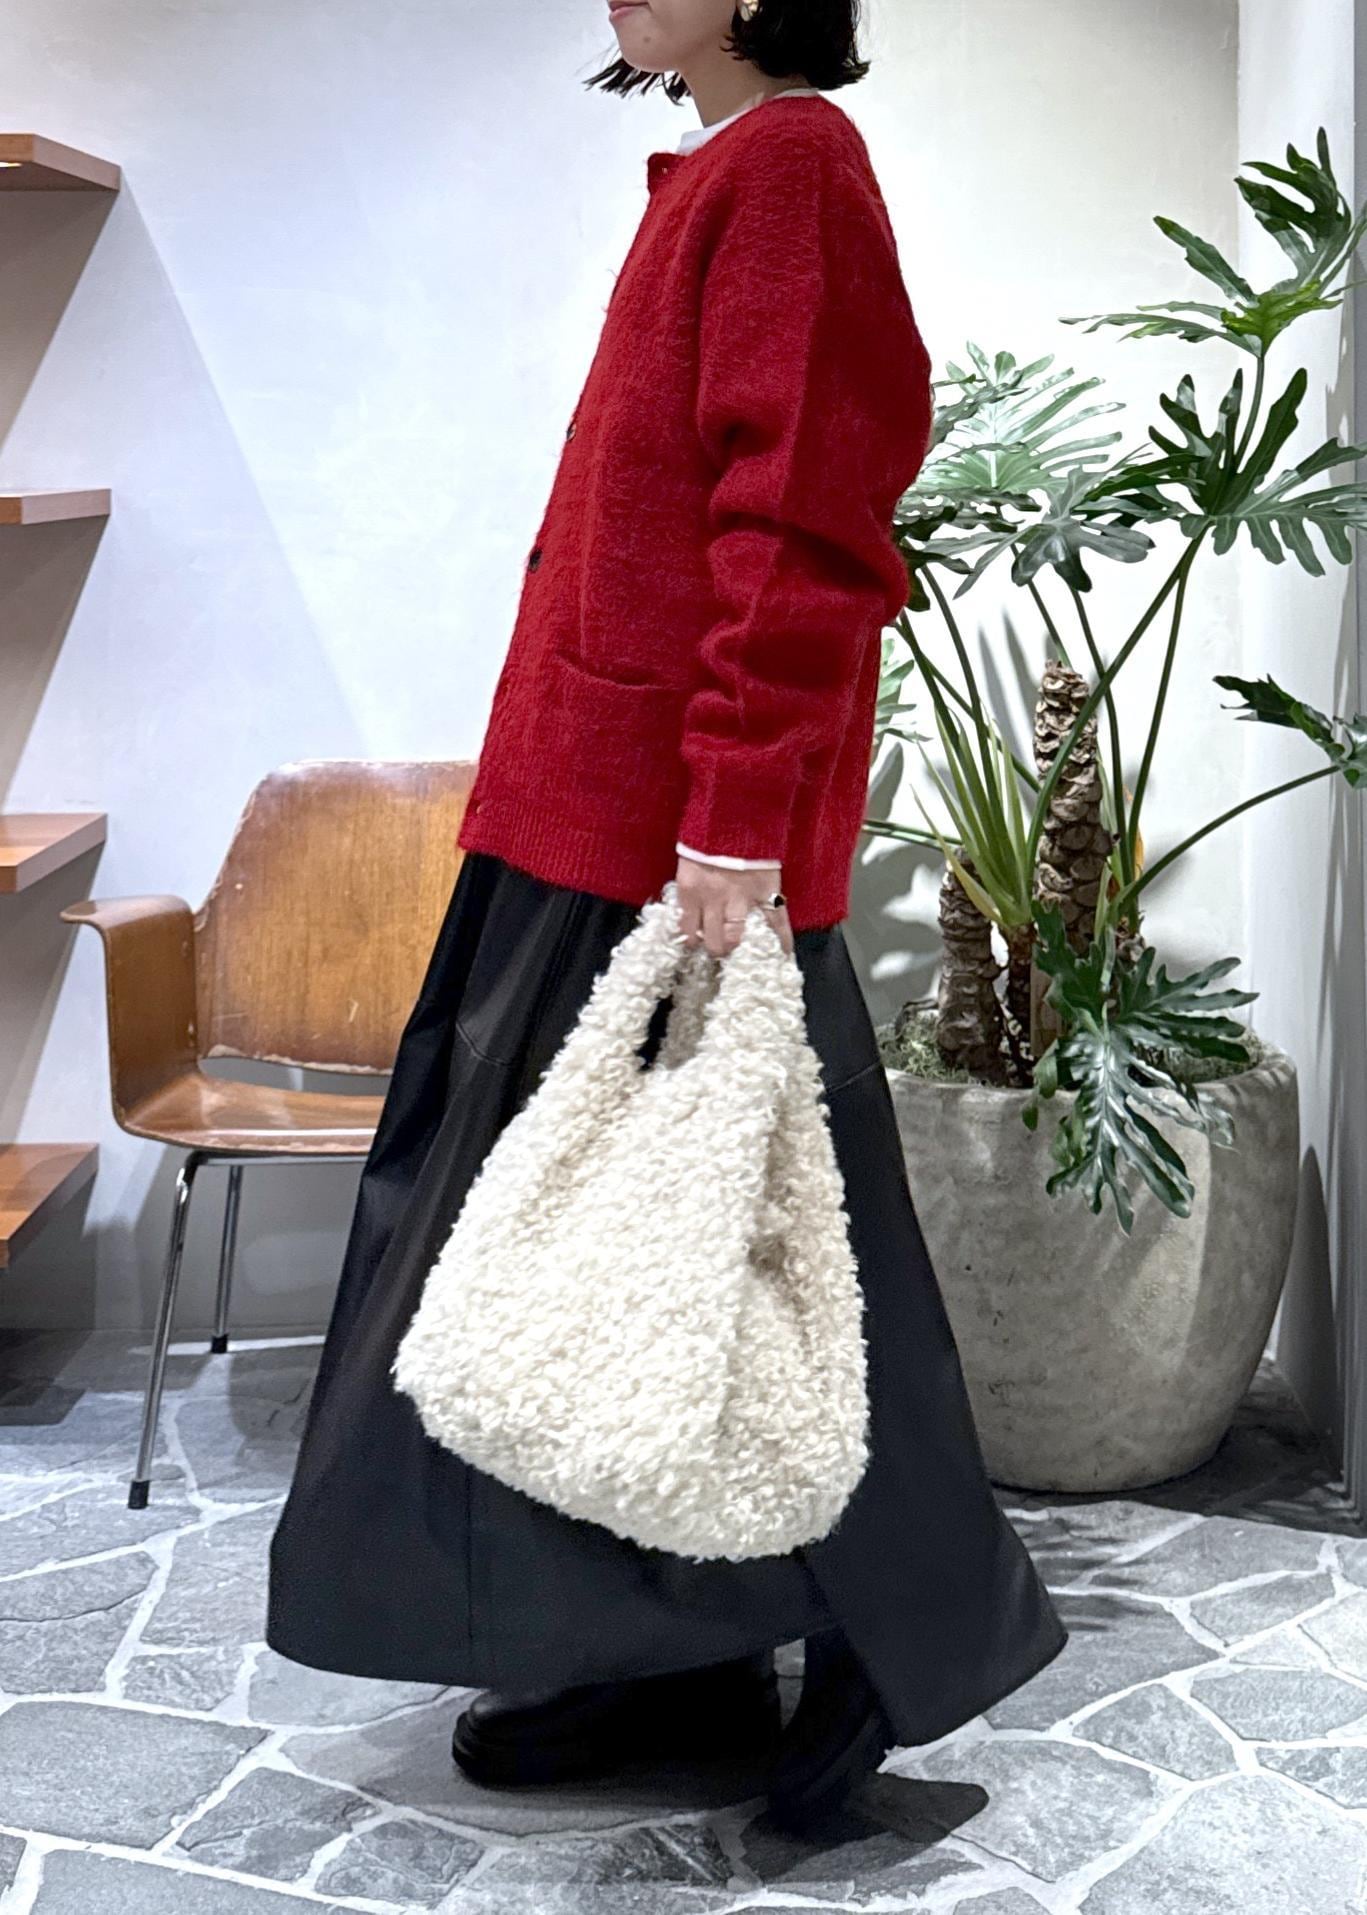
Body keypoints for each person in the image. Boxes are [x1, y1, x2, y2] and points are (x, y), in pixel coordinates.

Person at [265, 0, 1068, 1833]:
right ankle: (668, 1653)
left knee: (771, 1251)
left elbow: (804, 519)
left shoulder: (794, 167)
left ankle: (880, 1648)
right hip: (585, 812)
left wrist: (734, 811)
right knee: (593, 1258)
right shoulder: (722, 169)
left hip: (672, 838)